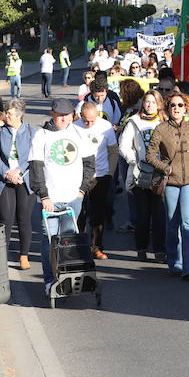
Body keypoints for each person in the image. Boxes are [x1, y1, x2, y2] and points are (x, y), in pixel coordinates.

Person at [28, 99, 95, 295]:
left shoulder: (79, 134)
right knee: (49, 241)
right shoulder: (41, 135)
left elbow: (89, 165)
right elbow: (36, 169)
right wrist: (44, 196)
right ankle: (50, 281)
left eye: (67, 115)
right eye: (60, 115)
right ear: (52, 114)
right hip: (50, 199)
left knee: (69, 241)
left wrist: (82, 190)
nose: (63, 119)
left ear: (72, 115)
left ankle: (67, 278)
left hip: (73, 198)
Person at [146, 91, 189, 280]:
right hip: (170, 182)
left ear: (186, 107)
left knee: (188, 224)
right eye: (173, 105)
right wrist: (165, 167)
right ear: (168, 107)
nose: (176, 109)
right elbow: (150, 155)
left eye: (180, 105)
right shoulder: (160, 129)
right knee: (172, 224)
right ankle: (175, 262)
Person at [0, 99, 36, 270]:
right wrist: (7, 174)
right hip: (4, 180)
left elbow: (32, 157)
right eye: (6, 112)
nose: (6, 116)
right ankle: (2, 257)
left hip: (24, 180)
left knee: (24, 219)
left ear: (19, 115)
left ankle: (24, 256)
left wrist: (18, 172)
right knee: (6, 219)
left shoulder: (31, 131)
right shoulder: (0, 132)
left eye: (9, 113)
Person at [119, 90, 166, 261]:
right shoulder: (134, 121)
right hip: (140, 173)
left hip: (160, 174)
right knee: (142, 214)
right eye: (147, 101)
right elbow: (124, 146)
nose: (150, 105)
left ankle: (160, 249)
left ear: (159, 104)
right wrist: (135, 160)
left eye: (154, 102)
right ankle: (141, 247)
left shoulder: (164, 121)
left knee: (159, 213)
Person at [74, 102, 118, 260]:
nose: (89, 124)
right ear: (81, 115)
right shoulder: (74, 127)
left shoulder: (105, 127)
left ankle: (97, 247)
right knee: (80, 213)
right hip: (80, 176)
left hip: (101, 175)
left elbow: (113, 151)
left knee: (98, 214)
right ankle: (79, 246)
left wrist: (110, 174)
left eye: (93, 120)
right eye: (86, 120)